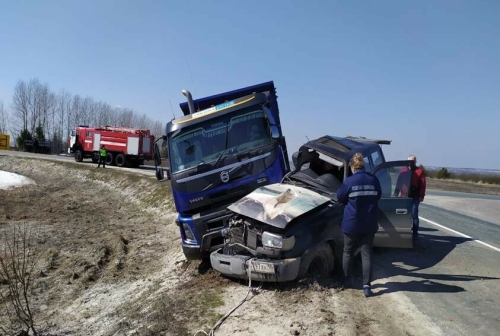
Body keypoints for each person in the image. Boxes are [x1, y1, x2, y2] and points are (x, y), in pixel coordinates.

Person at [336, 153, 382, 297]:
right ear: (363, 166)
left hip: (351, 224)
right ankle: (367, 286)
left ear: (352, 167)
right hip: (369, 224)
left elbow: (340, 197)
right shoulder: (373, 180)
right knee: (366, 254)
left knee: (348, 252)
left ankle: (346, 280)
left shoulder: (349, 181)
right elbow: (378, 196)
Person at [394, 155, 426, 239]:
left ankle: (415, 233)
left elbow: (423, 185)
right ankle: (401, 232)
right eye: (410, 161)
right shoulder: (403, 170)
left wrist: (421, 196)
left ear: (415, 162)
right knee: (402, 213)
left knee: (414, 214)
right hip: (404, 196)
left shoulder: (419, 171)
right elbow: (399, 182)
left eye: (413, 161)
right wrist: (396, 194)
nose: (412, 163)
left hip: (415, 197)